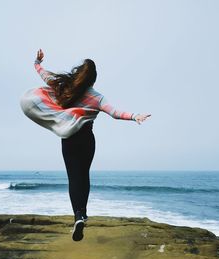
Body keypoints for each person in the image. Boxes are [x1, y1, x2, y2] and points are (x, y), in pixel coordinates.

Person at [20, 49, 151, 241]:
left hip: (69, 138)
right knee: (84, 176)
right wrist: (134, 116)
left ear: (79, 73)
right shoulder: (97, 97)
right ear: (93, 80)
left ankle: (78, 217)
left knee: (73, 178)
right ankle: (84, 212)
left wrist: (37, 62)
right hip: (87, 140)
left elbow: (44, 74)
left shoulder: (64, 87)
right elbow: (114, 113)